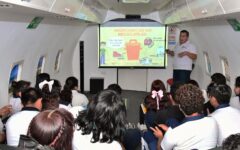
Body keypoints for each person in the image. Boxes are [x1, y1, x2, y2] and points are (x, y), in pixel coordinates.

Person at [151, 84, 218, 150]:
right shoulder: (213, 122)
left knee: (149, 137)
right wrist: (169, 130)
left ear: (180, 107)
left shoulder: (173, 134)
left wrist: (160, 137)